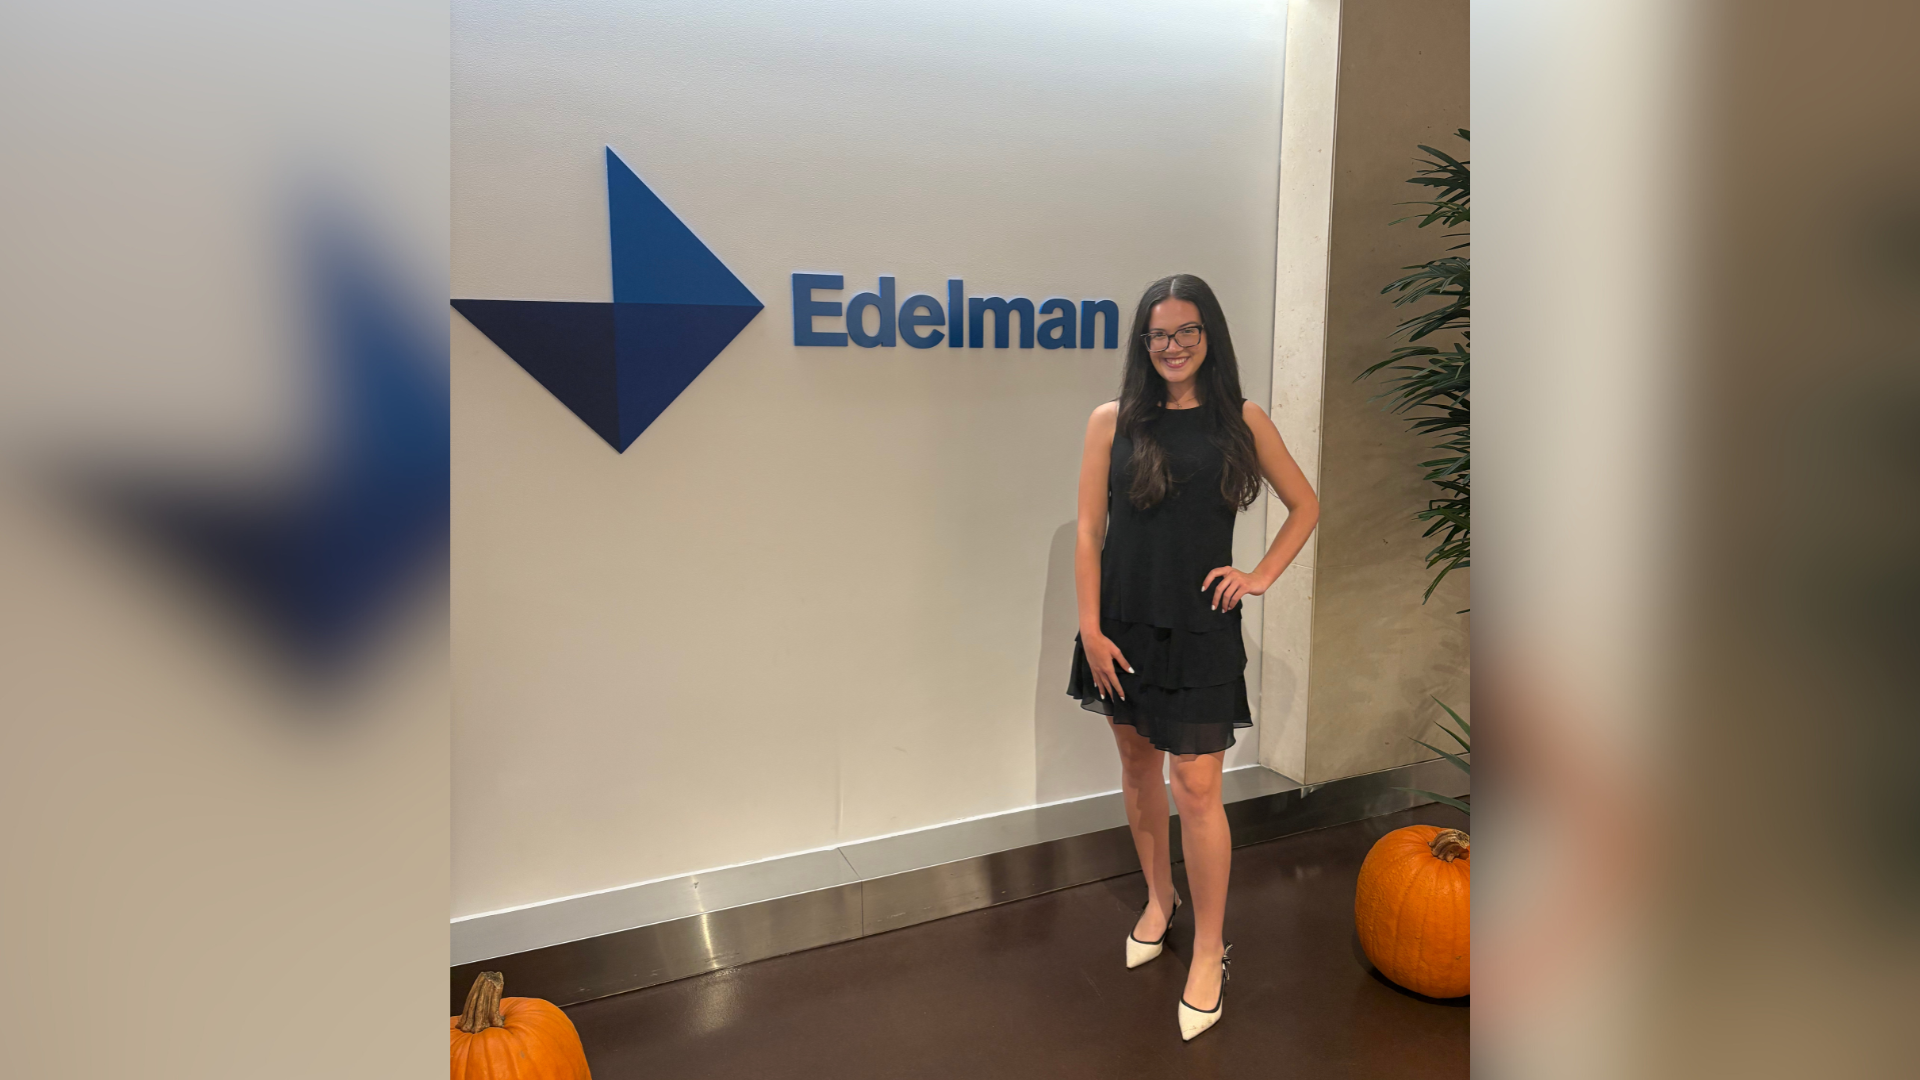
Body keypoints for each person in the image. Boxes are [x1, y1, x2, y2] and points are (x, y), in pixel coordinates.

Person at [1067, 273, 1320, 1041]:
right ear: (1144, 344)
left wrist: (1261, 575)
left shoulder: (1240, 419)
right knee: (1139, 769)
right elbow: (1087, 531)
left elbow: (1305, 503)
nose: (1172, 346)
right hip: (1122, 629)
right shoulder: (1111, 421)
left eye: (1186, 331)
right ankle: (1158, 899)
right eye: (1158, 334)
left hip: (1202, 628)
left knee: (1198, 788)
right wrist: (1089, 627)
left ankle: (1210, 947)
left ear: (1210, 336)